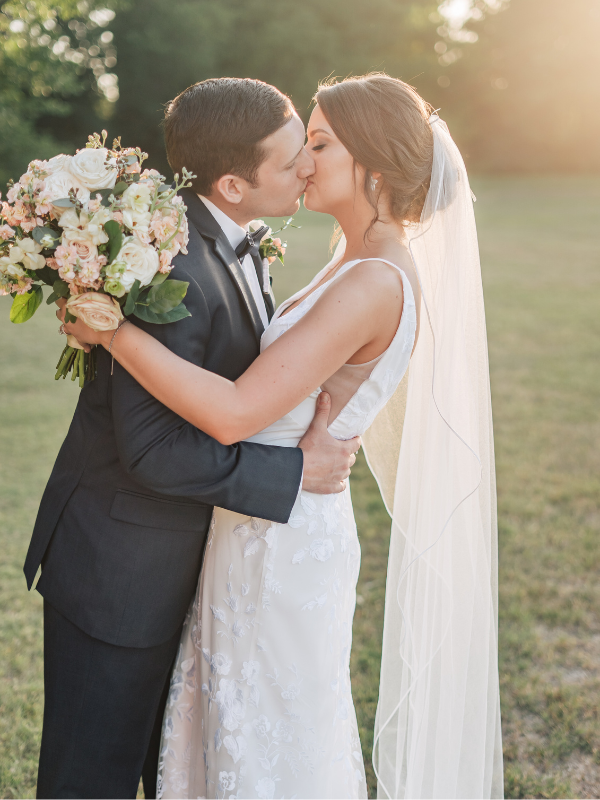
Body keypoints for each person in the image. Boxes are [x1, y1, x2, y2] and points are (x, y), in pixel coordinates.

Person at [62, 74, 503, 800]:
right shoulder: (351, 257)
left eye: (321, 144)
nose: (304, 162)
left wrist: (115, 335)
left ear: (377, 167)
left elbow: (237, 412)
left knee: (274, 744)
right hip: (256, 524)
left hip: (285, 545)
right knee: (231, 728)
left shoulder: (375, 281)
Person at [26, 78, 360, 800]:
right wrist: (292, 473)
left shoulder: (231, 239)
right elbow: (153, 451)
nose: (308, 164)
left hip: (186, 565)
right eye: (292, 156)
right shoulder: (170, 262)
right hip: (121, 569)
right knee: (92, 780)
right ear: (233, 184)